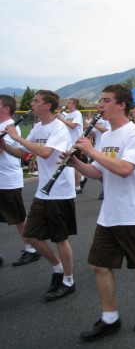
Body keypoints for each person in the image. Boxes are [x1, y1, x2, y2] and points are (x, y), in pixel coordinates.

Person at [67, 85, 135, 341]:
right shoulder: (106, 137)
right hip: (110, 212)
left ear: (121, 104)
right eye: (100, 100)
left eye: (105, 100)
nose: (100, 105)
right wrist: (77, 163)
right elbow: (102, 174)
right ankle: (110, 317)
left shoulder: (134, 134)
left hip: (134, 211)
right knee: (98, 265)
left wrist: (91, 152)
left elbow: (124, 169)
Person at [0, 90, 77, 301]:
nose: (31, 104)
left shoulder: (59, 128)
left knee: (60, 238)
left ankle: (68, 280)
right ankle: (58, 268)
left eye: (36, 101)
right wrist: (6, 145)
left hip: (60, 190)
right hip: (43, 190)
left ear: (48, 106)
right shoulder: (37, 127)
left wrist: (16, 137)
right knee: (32, 235)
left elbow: (45, 153)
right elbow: (26, 154)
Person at [0, 95, 41, 267]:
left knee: (18, 218)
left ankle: (31, 249)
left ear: (6, 108)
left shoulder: (9, 127)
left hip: (7, 180)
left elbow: (5, 150)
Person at [56, 98, 86, 193]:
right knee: (69, 164)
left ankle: (77, 187)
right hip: (68, 143)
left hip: (76, 142)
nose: (67, 104)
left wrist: (61, 118)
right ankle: (81, 178)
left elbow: (73, 126)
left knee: (74, 164)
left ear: (74, 104)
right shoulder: (67, 115)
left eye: (69, 103)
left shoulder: (77, 113)